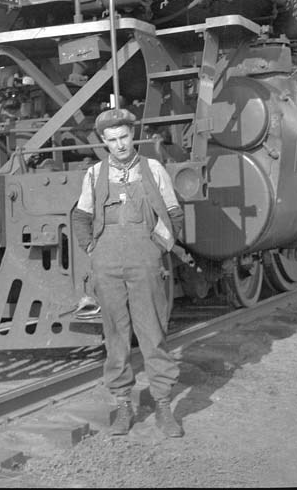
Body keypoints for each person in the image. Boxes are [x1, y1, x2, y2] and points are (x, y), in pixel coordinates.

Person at [71, 107, 184, 437]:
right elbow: (81, 217)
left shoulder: (153, 170)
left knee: (153, 336)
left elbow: (174, 214)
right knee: (116, 339)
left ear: (132, 136)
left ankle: (164, 407)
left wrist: (158, 248)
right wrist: (93, 250)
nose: (119, 145)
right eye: (112, 140)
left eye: (124, 137)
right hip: (107, 267)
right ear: (104, 142)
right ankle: (124, 406)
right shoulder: (93, 175)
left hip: (145, 265)